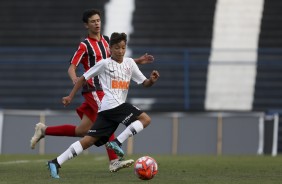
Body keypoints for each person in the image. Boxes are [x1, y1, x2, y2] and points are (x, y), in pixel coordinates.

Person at [30, 9, 154, 172]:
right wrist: (75, 79)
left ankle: (45, 131)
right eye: (93, 21)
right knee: (110, 118)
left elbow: (118, 60)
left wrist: (137, 61)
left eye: (98, 20)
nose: (97, 23)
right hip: (95, 90)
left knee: (83, 131)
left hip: (106, 89)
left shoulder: (107, 41)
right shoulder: (85, 45)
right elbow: (72, 67)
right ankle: (114, 160)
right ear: (86, 25)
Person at [47, 32, 160, 179]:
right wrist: (70, 96)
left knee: (88, 141)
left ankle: (56, 162)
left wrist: (152, 80)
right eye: (117, 48)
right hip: (113, 105)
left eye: (123, 48)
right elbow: (82, 78)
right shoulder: (104, 63)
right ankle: (117, 143)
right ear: (110, 49)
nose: (120, 51)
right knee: (146, 119)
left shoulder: (130, 63)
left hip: (106, 111)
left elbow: (144, 83)